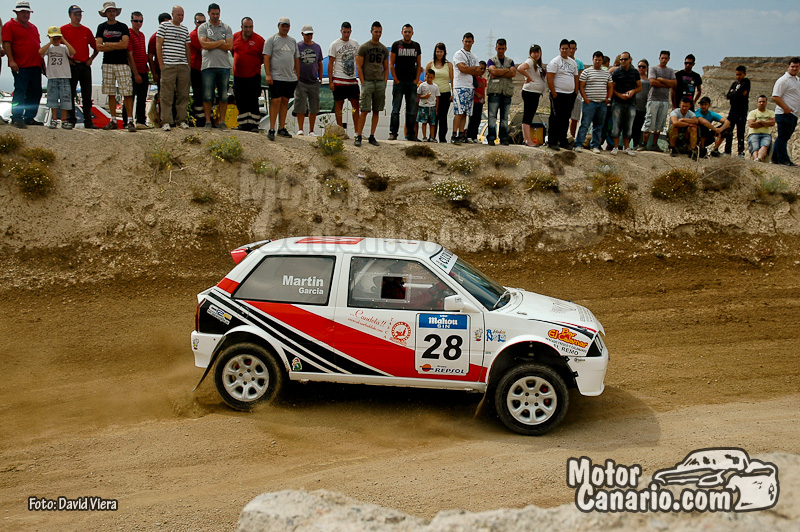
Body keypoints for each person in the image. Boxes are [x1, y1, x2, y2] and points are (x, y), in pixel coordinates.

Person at [95, 1, 136, 132]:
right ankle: (113, 120)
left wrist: (107, 44)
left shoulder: (122, 27)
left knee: (127, 93)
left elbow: (124, 44)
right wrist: (115, 45)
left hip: (122, 63)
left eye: (113, 11)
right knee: (110, 92)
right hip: (107, 63)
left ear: (116, 12)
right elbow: (98, 46)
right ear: (105, 13)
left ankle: (130, 120)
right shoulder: (101, 27)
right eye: (109, 11)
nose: (111, 13)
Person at [3, 1, 43, 128]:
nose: (25, 15)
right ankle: (16, 117)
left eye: (27, 12)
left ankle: (29, 117)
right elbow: (7, 43)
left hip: (35, 65)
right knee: (20, 91)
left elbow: (37, 45)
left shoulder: (33, 27)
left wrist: (42, 64)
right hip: (20, 65)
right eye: (23, 12)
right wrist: (11, 60)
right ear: (17, 12)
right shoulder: (9, 25)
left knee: (36, 92)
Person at [61, 5, 99, 128]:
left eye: (80, 15)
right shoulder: (63, 30)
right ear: (70, 15)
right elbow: (59, 48)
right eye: (75, 14)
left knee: (87, 95)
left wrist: (91, 59)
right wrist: (67, 60)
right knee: (70, 93)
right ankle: (71, 119)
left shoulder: (86, 30)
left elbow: (96, 47)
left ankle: (88, 120)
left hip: (84, 66)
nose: (78, 17)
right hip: (71, 66)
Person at [263, 16, 299, 140]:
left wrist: (297, 75)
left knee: (285, 102)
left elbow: (296, 59)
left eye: (287, 25)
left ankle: (281, 128)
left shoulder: (293, 41)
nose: (285, 28)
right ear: (278, 26)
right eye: (283, 25)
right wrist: (268, 74)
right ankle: (272, 128)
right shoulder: (271, 40)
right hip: (276, 76)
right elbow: (266, 57)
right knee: (275, 101)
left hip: (289, 77)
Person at [198, 3, 233, 130]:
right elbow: (204, 44)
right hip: (208, 66)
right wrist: (221, 42)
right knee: (208, 95)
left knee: (223, 96)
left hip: (224, 66)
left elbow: (229, 46)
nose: (215, 16)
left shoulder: (226, 28)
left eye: (217, 13)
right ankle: (208, 121)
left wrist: (211, 42)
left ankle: (222, 122)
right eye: (213, 14)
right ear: (208, 13)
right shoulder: (203, 27)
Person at [157, 6, 191, 131]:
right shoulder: (164, 26)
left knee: (183, 94)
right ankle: (166, 121)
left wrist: (188, 65)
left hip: (183, 65)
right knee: (166, 94)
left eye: (182, 15)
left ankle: (181, 120)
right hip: (168, 64)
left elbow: (187, 47)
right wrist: (161, 64)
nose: (180, 17)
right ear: (173, 14)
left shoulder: (184, 29)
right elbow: (158, 44)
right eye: (178, 15)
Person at [354, 21, 388, 147]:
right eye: (376, 32)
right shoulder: (364, 47)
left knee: (376, 110)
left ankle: (372, 135)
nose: (378, 34)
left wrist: (384, 82)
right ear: (371, 32)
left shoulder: (384, 49)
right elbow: (359, 66)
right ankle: (358, 135)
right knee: (364, 110)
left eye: (380, 32)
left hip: (379, 82)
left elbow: (386, 67)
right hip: (368, 82)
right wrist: (363, 82)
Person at [389, 24, 422, 141]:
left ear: (412, 33)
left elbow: (419, 64)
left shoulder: (416, 46)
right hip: (399, 82)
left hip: (411, 83)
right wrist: (395, 79)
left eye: (409, 32)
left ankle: (411, 134)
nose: (407, 33)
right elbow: (391, 64)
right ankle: (393, 133)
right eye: (405, 31)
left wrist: (416, 79)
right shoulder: (396, 45)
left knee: (411, 111)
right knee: (395, 110)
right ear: (402, 32)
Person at [574, 51, 611, 154]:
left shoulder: (606, 73)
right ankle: (578, 144)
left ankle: (595, 145)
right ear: (593, 60)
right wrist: (585, 98)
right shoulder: (587, 72)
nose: (597, 62)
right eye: (596, 60)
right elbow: (581, 86)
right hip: (589, 103)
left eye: (599, 60)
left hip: (602, 103)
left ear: (602, 61)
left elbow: (610, 86)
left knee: (598, 126)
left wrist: (609, 98)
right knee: (585, 124)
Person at [231, 17, 264, 132]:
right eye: (246, 27)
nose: (248, 29)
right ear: (242, 27)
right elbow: (232, 52)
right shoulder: (235, 37)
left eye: (250, 27)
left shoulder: (259, 40)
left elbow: (264, 57)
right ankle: (243, 124)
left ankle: (254, 125)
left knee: (252, 100)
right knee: (240, 99)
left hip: (253, 75)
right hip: (238, 76)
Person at [639, 50, 676, 152]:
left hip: (664, 100)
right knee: (649, 122)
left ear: (668, 59)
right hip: (653, 99)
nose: (663, 60)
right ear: (659, 58)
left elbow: (674, 83)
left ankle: (654, 144)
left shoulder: (670, 71)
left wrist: (662, 80)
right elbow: (652, 82)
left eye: (665, 58)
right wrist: (667, 84)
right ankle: (644, 143)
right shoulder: (653, 69)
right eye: (662, 58)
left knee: (660, 124)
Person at [39, 26, 75, 129]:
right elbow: (40, 52)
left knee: (65, 100)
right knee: (52, 100)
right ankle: (54, 119)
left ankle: (64, 120)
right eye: (53, 38)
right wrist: (50, 42)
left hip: (64, 76)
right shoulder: (49, 48)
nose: (56, 40)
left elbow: (73, 52)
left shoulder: (64, 47)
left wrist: (64, 40)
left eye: (57, 37)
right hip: (52, 77)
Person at [546, 39, 579, 150]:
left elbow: (576, 77)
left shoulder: (573, 63)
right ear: (560, 49)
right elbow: (550, 77)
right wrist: (553, 92)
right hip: (558, 93)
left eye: (566, 48)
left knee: (565, 118)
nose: (564, 50)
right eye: (563, 48)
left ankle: (563, 140)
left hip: (569, 94)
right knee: (555, 117)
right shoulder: (555, 62)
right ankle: (552, 141)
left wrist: (575, 92)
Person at [328, 22, 359, 135]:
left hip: (352, 79)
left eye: (348, 32)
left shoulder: (355, 43)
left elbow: (358, 61)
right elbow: (330, 63)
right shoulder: (335, 44)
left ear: (351, 32)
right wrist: (331, 81)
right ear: (341, 31)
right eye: (344, 32)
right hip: (339, 78)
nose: (346, 34)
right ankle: (340, 130)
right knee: (339, 104)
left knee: (356, 104)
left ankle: (357, 131)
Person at [609, 51, 641, 155]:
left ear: (630, 60)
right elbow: (611, 87)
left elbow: (639, 87)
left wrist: (633, 91)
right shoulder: (616, 72)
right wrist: (619, 95)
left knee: (629, 126)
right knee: (616, 125)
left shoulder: (635, 72)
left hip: (631, 102)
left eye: (625, 59)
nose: (623, 61)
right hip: (617, 101)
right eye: (621, 59)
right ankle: (615, 147)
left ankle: (627, 147)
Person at [450, 32, 480, 144]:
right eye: (466, 41)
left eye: (469, 41)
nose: (467, 43)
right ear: (463, 41)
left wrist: (469, 69)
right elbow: (462, 69)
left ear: (473, 42)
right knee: (459, 111)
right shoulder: (458, 54)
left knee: (465, 112)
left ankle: (462, 134)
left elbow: (478, 70)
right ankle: (454, 134)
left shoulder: (474, 56)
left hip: (470, 86)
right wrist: (471, 69)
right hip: (460, 86)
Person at [485, 38, 516, 146]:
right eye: (499, 48)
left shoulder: (510, 61)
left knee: (504, 117)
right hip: (494, 92)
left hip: (506, 92)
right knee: (492, 116)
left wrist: (498, 72)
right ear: (496, 48)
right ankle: (491, 137)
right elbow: (492, 71)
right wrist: (506, 70)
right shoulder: (491, 60)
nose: (500, 51)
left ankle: (503, 137)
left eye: (502, 48)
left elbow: (513, 73)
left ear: (505, 49)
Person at [771, 57, 800, 167]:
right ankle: (784, 160)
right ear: (788, 67)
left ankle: (775, 158)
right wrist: (786, 108)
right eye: (792, 66)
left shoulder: (796, 80)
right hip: (784, 113)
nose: (794, 68)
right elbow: (775, 96)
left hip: (794, 113)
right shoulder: (783, 80)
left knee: (784, 137)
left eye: (797, 67)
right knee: (783, 137)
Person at [122, 11, 148, 128]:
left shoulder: (142, 35)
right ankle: (126, 122)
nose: (138, 23)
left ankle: (141, 121)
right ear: (131, 21)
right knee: (129, 97)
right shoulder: (129, 34)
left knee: (142, 98)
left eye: (140, 21)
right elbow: (130, 55)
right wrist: (135, 73)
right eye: (136, 21)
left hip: (143, 70)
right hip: (133, 71)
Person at [295, 25, 322, 136]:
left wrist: (320, 78)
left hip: (313, 81)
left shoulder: (317, 47)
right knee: (300, 105)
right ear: (302, 34)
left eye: (310, 34)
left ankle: (311, 130)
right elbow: (295, 61)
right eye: (307, 34)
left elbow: (320, 63)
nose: (309, 36)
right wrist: (296, 77)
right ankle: (300, 129)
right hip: (301, 80)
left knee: (314, 106)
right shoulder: (298, 46)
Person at [517, 44, 545, 147]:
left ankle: (526, 139)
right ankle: (528, 140)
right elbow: (520, 68)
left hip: (535, 92)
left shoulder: (537, 64)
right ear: (530, 53)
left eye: (537, 52)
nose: (536, 54)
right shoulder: (530, 61)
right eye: (534, 52)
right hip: (530, 91)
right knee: (528, 115)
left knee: (530, 115)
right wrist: (528, 77)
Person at [424, 42, 452, 143]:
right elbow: (425, 79)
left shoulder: (449, 65)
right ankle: (432, 137)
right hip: (433, 95)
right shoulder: (430, 64)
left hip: (445, 93)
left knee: (443, 116)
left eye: (441, 52)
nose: (439, 54)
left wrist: (453, 93)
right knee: (433, 116)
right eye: (437, 51)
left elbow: (452, 79)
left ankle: (442, 138)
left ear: (444, 52)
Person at [148, 12, 171, 128]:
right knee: (162, 96)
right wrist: (154, 73)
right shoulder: (155, 37)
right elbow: (150, 56)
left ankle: (172, 119)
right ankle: (162, 120)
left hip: (173, 69)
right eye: (164, 23)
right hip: (161, 70)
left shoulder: (173, 36)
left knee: (173, 95)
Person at [722, 65, 750, 157]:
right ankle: (727, 151)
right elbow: (728, 95)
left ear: (744, 74)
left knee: (740, 132)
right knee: (728, 129)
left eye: (740, 74)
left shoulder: (746, 82)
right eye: (737, 74)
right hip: (733, 110)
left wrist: (734, 93)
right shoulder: (734, 83)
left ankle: (741, 152)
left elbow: (736, 93)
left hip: (741, 110)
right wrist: (736, 93)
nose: (738, 76)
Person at [747, 95, 775, 162]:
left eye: (763, 102)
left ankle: (759, 159)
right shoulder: (752, 113)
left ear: (766, 103)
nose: (761, 103)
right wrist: (766, 123)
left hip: (766, 134)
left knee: (765, 144)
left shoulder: (771, 112)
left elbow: (772, 123)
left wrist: (760, 121)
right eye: (760, 102)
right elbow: (751, 124)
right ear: (757, 103)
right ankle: (756, 160)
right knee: (755, 146)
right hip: (753, 134)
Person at [189, 12, 205, 126]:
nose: (201, 24)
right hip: (195, 68)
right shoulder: (193, 34)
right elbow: (204, 47)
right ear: (195, 22)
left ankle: (207, 118)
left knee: (207, 95)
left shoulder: (207, 33)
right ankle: (199, 119)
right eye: (199, 22)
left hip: (206, 68)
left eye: (203, 22)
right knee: (198, 94)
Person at [465, 61, 486, 143]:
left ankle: (474, 136)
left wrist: (483, 98)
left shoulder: (484, 80)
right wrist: (477, 94)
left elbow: (483, 90)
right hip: (474, 101)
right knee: (472, 119)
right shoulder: (474, 78)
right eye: (481, 68)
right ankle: (469, 135)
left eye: (484, 69)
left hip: (480, 102)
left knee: (478, 119)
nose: (482, 70)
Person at [416, 68, 440, 142]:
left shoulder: (435, 86)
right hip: (423, 106)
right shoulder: (422, 85)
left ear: (434, 78)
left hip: (432, 106)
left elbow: (437, 97)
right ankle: (424, 137)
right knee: (424, 122)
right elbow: (418, 95)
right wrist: (424, 96)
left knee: (432, 123)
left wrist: (436, 109)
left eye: (431, 77)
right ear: (425, 76)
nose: (429, 79)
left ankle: (432, 137)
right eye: (428, 77)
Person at [568, 39, 584, 139]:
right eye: (570, 48)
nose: (571, 50)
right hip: (565, 91)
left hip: (576, 92)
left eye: (573, 48)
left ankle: (572, 137)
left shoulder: (579, 63)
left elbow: (580, 78)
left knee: (575, 118)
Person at [632, 59, 649, 148]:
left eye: (643, 67)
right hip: (633, 104)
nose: (641, 68)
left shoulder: (649, 79)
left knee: (638, 126)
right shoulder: (634, 76)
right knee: (630, 125)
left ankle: (636, 144)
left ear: (647, 68)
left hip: (643, 106)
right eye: (639, 66)